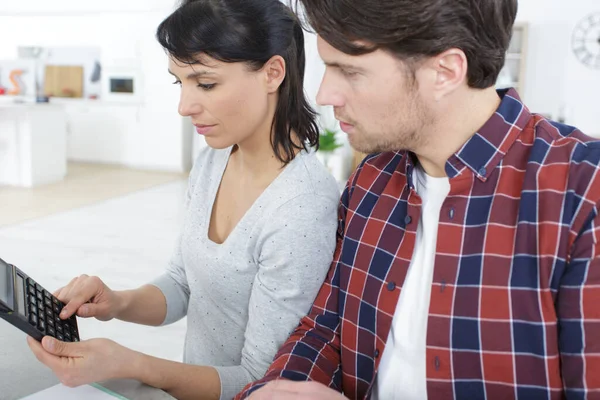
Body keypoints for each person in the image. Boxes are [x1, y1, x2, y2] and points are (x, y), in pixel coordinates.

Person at [238, 0, 600, 399]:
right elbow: (328, 326)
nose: (325, 94)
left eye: (350, 71)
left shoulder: (582, 191)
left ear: (444, 71)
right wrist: (272, 391)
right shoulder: (372, 179)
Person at [26, 1, 340, 399]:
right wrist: (115, 302)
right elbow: (183, 284)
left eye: (205, 84)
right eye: (180, 83)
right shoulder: (214, 159)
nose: (184, 106)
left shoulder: (301, 209)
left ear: (272, 73)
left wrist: (131, 364)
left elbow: (260, 382)